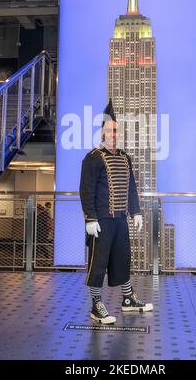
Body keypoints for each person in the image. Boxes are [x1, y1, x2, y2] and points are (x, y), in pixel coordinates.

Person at [79, 99, 153, 324]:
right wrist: (90, 218)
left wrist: (136, 212)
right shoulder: (92, 159)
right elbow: (86, 190)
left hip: (120, 220)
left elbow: (131, 187)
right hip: (101, 222)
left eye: (115, 131)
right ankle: (96, 305)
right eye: (109, 130)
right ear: (102, 133)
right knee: (98, 263)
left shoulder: (124, 157)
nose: (113, 134)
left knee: (122, 260)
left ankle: (128, 299)